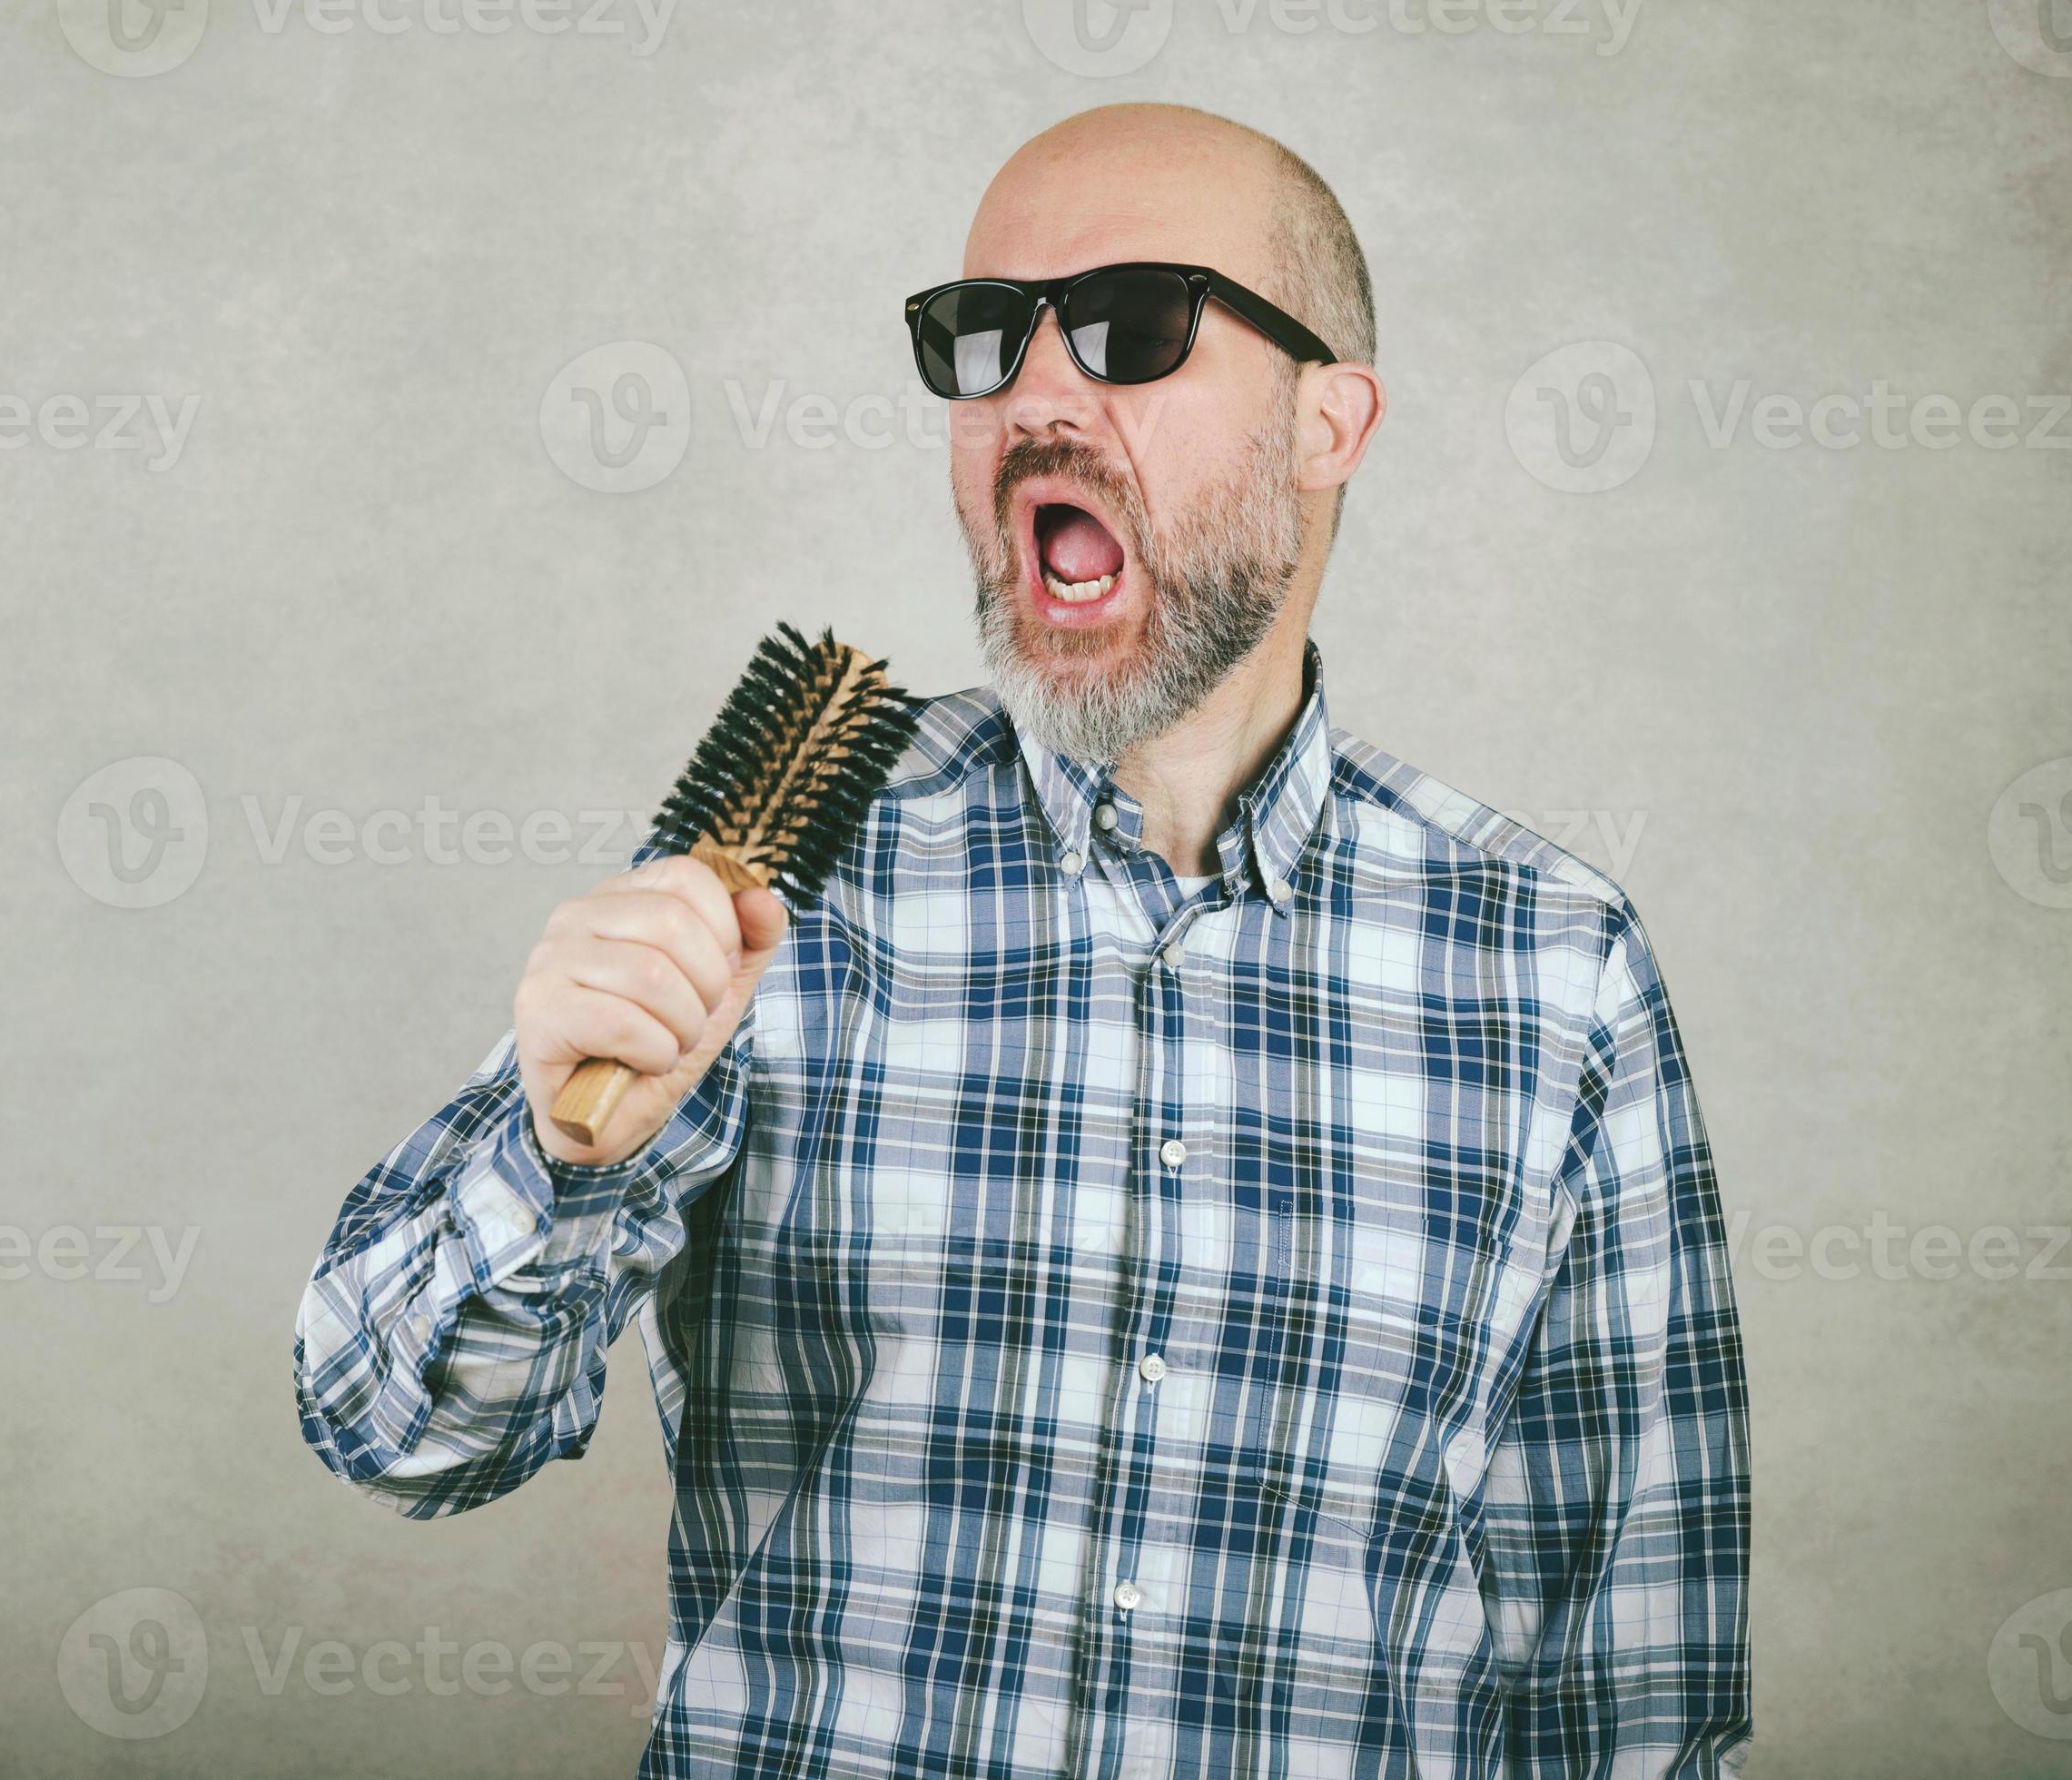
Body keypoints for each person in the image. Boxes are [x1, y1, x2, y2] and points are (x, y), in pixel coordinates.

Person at [294, 102, 1751, 1778]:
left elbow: (1633, 1687)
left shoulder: (1554, 968)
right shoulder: (789, 878)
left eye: (1136, 328)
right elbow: (393, 1431)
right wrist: (560, 1161)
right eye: (986, 338)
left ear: (1329, 419)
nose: (1038, 397)